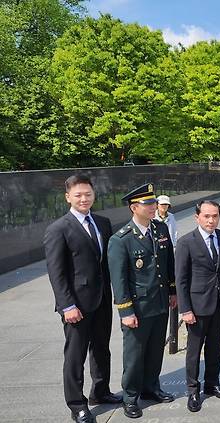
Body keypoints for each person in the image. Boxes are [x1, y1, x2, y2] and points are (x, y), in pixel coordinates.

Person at [44, 174, 121, 423]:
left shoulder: (103, 222)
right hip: (75, 304)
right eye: (78, 195)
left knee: (102, 349)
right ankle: (77, 404)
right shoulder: (58, 229)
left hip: (101, 299)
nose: (84, 198)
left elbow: (106, 263)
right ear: (68, 197)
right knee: (75, 356)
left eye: (87, 194)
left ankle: (101, 391)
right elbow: (57, 273)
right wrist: (67, 305)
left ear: (93, 194)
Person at [108, 183, 176, 419]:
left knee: (156, 350)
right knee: (134, 355)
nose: (153, 206)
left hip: (159, 302)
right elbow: (119, 279)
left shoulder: (160, 229)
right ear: (134, 207)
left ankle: (151, 387)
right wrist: (125, 311)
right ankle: (130, 397)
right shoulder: (121, 239)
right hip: (137, 307)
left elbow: (169, 265)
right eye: (148, 204)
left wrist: (173, 291)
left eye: (154, 202)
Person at [175, 200, 220, 413]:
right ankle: (193, 390)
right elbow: (181, 279)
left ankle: (212, 383)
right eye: (206, 216)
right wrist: (185, 309)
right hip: (196, 306)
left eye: (215, 216)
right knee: (194, 351)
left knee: (215, 347)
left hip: (219, 303)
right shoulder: (186, 242)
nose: (211, 220)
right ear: (197, 217)